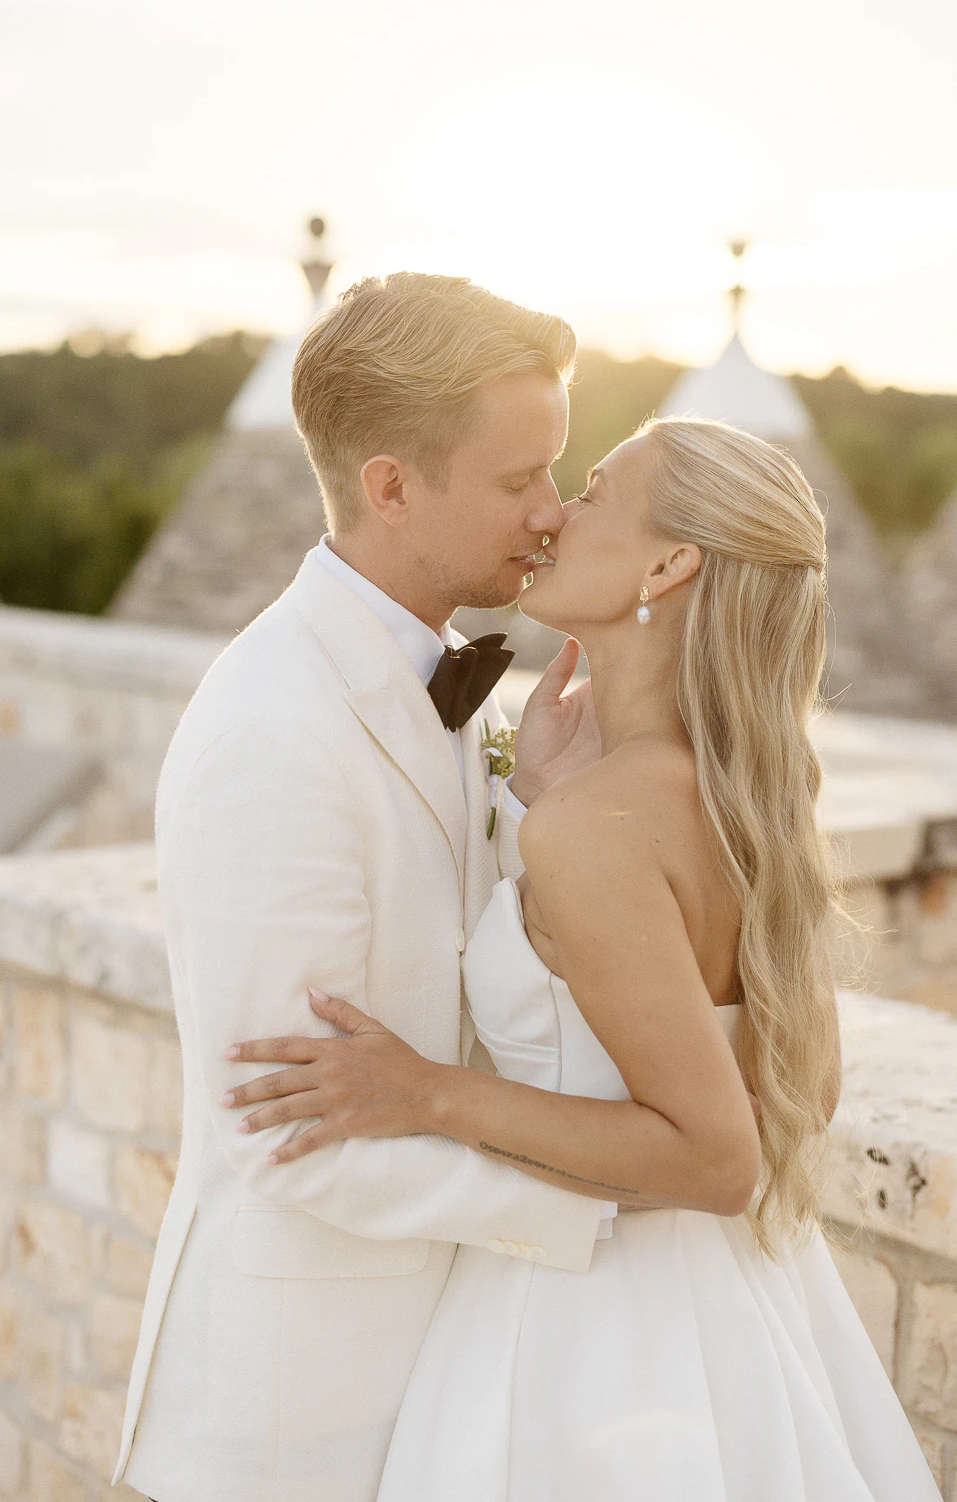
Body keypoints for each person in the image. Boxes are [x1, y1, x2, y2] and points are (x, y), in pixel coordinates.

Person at [224, 417, 942, 1499]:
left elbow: (716, 1158)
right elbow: (800, 1089)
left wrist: (424, 1093)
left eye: (596, 491)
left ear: (667, 565)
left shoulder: (604, 823)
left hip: (592, 1345)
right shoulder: (738, 795)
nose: (557, 513)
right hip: (742, 1314)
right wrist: (534, 803)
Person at [114, 274, 624, 1502]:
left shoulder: (450, 686)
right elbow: (289, 1134)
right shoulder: (271, 729)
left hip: (439, 1393)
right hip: (289, 1424)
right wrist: (609, 1207)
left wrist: (531, 806)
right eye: (519, 478)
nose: (551, 511)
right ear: (391, 486)